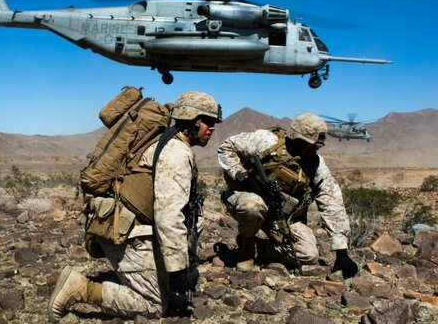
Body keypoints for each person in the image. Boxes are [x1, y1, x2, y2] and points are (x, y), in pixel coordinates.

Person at [48, 91, 222, 321]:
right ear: (192, 120)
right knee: (153, 306)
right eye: (208, 122)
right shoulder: (176, 153)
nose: (212, 128)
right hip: (127, 231)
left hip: (125, 224)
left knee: (167, 295)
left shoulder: (166, 142)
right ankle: (80, 288)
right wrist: (179, 269)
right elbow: (169, 215)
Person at [217, 113, 358, 278]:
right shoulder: (266, 142)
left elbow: (331, 201)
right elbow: (226, 148)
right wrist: (246, 179)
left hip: (280, 216)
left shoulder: (315, 164)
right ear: (297, 138)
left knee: (309, 255)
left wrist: (342, 252)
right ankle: (247, 244)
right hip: (246, 199)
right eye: (310, 144)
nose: (313, 150)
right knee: (253, 206)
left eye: (317, 146)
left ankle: (262, 248)